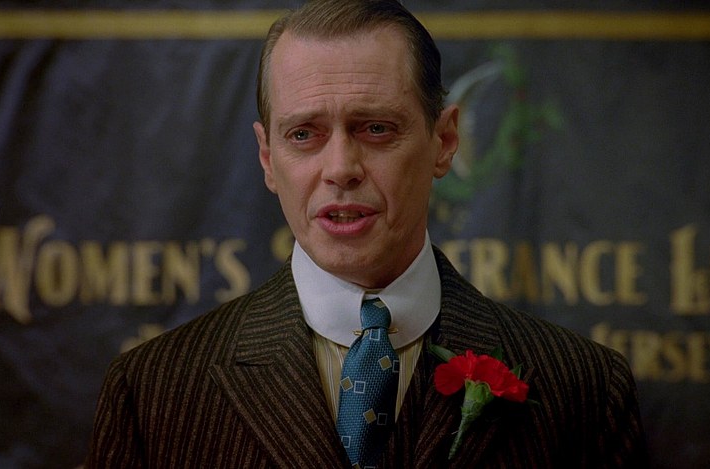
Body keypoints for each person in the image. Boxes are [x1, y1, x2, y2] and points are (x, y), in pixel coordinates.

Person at [86, 0, 648, 467]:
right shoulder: (152, 393)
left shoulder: (586, 391)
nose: (340, 168)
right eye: (303, 134)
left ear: (445, 142)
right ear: (267, 157)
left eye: (376, 129)